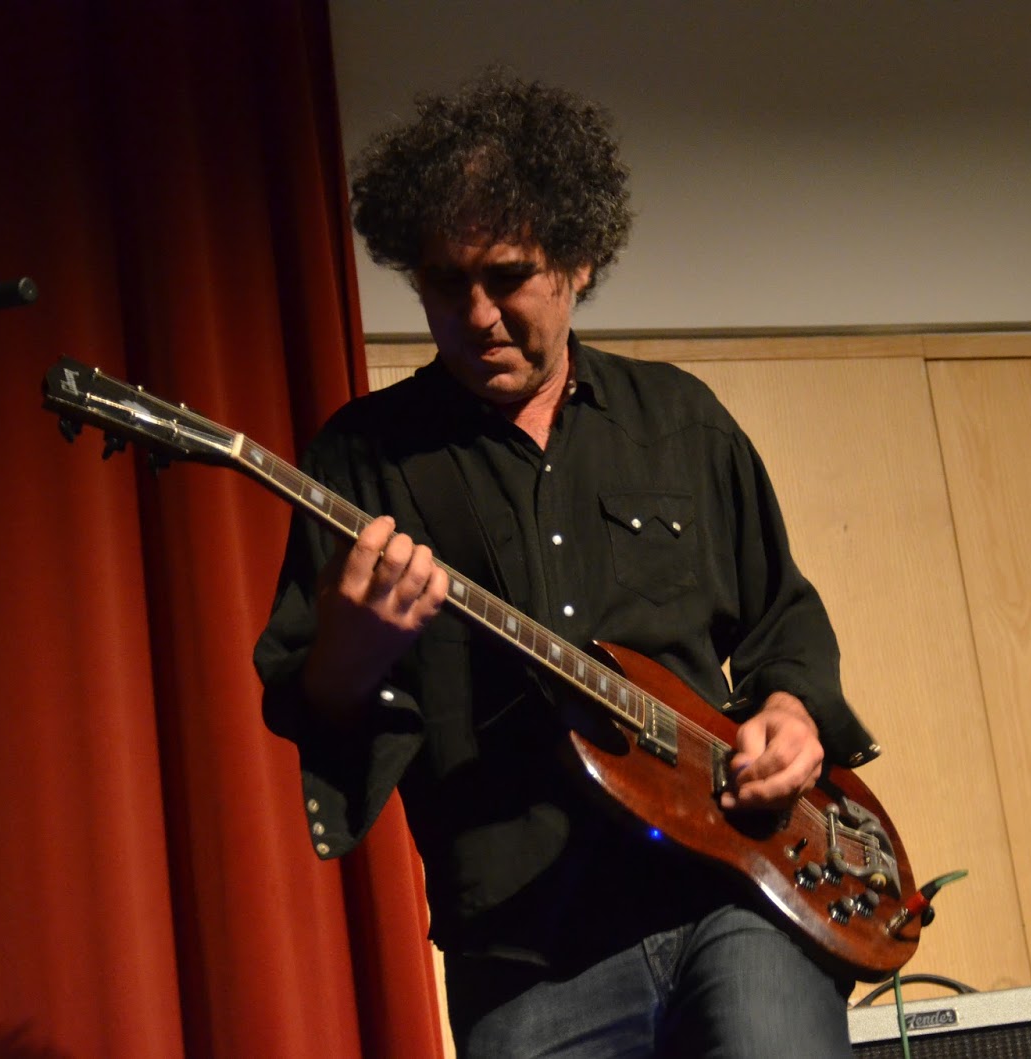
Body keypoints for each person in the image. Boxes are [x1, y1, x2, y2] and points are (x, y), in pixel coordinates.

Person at [254, 69, 883, 1057]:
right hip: (524, 948)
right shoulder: (360, 460)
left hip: (732, 893)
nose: (477, 314)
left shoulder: (679, 421)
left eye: (507, 277)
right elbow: (306, 699)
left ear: (579, 261)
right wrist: (353, 644)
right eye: (444, 284)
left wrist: (794, 713)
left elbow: (782, 620)